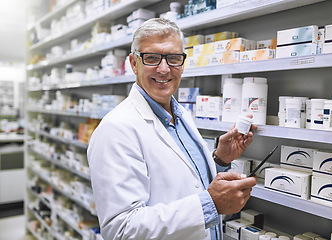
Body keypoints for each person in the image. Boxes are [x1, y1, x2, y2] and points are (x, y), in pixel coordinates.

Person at [87, 18, 258, 240]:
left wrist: (220, 160)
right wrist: (210, 205)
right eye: (151, 58)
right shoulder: (115, 129)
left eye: (174, 58)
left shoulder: (180, 115)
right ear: (133, 63)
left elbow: (188, 186)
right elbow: (121, 230)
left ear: (183, 63)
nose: (164, 68)